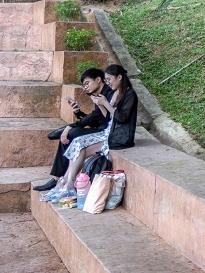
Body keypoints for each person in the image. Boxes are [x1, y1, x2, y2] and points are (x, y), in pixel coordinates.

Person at [42, 65, 139, 201]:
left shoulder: (130, 94)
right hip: (108, 132)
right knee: (77, 143)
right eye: (106, 80)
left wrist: (104, 102)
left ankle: (68, 184)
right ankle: (67, 181)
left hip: (119, 137)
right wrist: (100, 104)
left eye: (109, 79)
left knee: (77, 140)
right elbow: (108, 118)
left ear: (119, 77)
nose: (108, 82)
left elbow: (121, 118)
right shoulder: (115, 92)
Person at [33, 69, 114, 192]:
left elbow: (99, 117)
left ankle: (58, 178)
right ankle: (58, 177)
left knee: (71, 134)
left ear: (98, 80)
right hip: (100, 127)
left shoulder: (106, 94)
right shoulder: (98, 94)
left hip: (105, 131)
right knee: (68, 135)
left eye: (87, 83)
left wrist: (70, 126)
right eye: (83, 85)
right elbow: (96, 117)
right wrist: (78, 113)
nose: (85, 87)